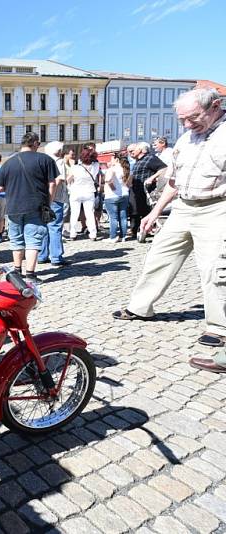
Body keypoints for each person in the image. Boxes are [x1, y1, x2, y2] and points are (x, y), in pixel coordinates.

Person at [111, 88, 226, 367]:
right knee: (158, 255)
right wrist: (154, 212)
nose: (187, 125)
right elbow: (173, 182)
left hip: (217, 206)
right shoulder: (186, 139)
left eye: (193, 117)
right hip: (184, 206)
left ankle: (218, 328)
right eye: (182, 120)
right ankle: (140, 308)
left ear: (215, 106)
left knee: (214, 268)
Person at [0, 132, 57, 282]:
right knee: (33, 241)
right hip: (36, 205)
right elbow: (53, 184)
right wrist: (49, 201)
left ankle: (16, 272)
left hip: (13, 206)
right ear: (35, 143)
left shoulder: (8, 162)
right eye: (39, 143)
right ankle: (30, 274)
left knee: (16, 240)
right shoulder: (45, 160)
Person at [38, 141, 69, 266]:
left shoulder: (43, 161)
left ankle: (42, 255)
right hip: (55, 198)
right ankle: (56, 256)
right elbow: (57, 180)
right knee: (55, 226)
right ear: (59, 151)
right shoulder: (59, 162)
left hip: (44, 197)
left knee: (44, 226)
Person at [127, 142, 167, 239]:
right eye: (129, 152)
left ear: (140, 150)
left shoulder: (150, 158)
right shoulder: (137, 161)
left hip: (146, 191)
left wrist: (152, 178)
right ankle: (136, 230)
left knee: (144, 211)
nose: (131, 153)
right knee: (135, 211)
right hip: (136, 190)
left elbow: (164, 168)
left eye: (133, 150)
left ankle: (144, 230)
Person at [67, 144, 101, 240]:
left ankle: (73, 233)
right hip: (89, 192)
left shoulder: (76, 167)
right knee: (90, 213)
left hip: (76, 192)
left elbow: (68, 179)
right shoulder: (96, 166)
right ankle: (93, 234)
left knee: (74, 213)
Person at [102, 154, 131, 242]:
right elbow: (129, 184)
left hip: (112, 195)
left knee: (113, 217)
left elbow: (108, 180)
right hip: (125, 194)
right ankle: (123, 236)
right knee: (123, 216)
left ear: (117, 159)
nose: (111, 161)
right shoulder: (127, 169)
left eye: (112, 159)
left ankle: (113, 237)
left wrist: (113, 188)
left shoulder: (112, 169)